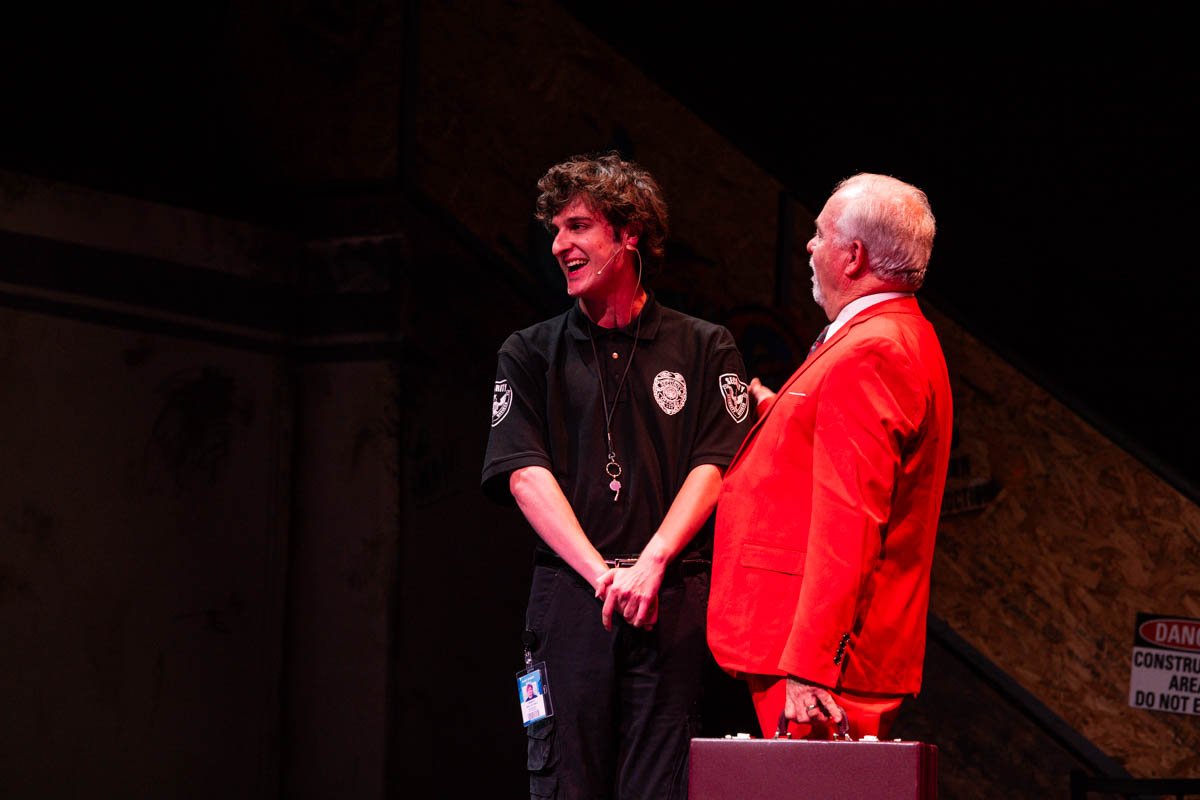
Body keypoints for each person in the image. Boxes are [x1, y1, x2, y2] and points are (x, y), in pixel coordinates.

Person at [481, 150, 750, 799]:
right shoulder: (529, 352)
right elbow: (522, 474)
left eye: (576, 226)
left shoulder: (704, 347)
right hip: (574, 601)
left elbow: (717, 464)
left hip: (673, 600)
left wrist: (652, 562)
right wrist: (604, 575)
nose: (558, 245)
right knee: (563, 783)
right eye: (554, 230)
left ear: (628, 233)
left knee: (662, 787)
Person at [707, 172, 953, 741]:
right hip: (821, 655)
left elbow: (852, 522)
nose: (810, 246)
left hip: (821, 670)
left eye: (821, 234)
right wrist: (781, 415)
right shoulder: (892, 335)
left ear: (854, 255)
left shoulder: (873, 351)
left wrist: (810, 666)